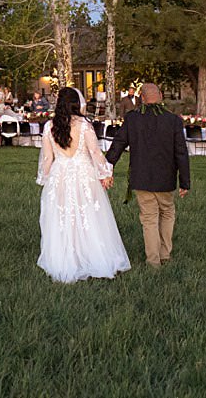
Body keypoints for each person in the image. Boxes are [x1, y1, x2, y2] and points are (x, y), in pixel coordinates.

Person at [35, 87, 131, 283]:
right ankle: (91, 255)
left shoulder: (49, 127)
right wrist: (105, 173)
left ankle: (66, 257)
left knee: (63, 216)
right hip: (83, 173)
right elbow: (95, 152)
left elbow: (47, 158)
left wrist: (45, 179)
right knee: (88, 215)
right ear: (77, 104)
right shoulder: (85, 125)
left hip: (60, 173)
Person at [104, 83, 191, 268]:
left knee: (149, 218)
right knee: (167, 212)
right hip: (165, 178)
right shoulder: (173, 120)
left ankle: (153, 261)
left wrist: (107, 166)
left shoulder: (133, 119)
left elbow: (119, 143)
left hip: (141, 176)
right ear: (160, 96)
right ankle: (165, 254)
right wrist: (185, 182)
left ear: (142, 98)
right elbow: (181, 152)